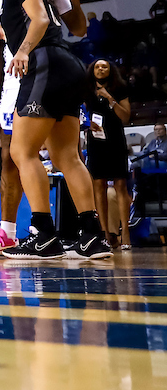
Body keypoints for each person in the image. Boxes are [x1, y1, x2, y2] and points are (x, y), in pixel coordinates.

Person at [0, 0, 111, 259]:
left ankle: (43, 235)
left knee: (21, 151)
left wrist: (23, 50)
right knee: (67, 156)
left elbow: (40, 20)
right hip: (68, 65)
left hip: (44, 63)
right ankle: (91, 237)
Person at [83, 59, 131, 249]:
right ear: (92, 70)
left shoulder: (119, 88)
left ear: (111, 71)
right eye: (97, 66)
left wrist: (110, 99)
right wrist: (87, 123)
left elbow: (125, 117)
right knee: (98, 185)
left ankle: (124, 230)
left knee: (120, 184)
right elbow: (80, 114)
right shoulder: (86, 90)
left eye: (105, 66)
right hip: (96, 142)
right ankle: (104, 233)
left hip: (116, 141)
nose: (101, 69)